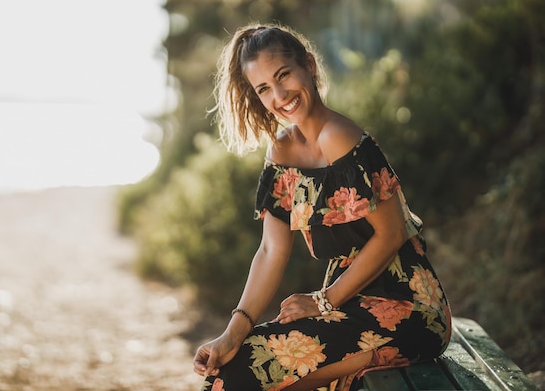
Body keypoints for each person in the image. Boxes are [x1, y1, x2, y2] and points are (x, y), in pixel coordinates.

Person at [193, 23, 452, 391]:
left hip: (407, 309)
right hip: (348, 309)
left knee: (236, 381)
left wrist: (324, 300)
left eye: (284, 75)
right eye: (264, 88)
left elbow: (392, 232)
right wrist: (232, 334)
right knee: (227, 370)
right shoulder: (281, 151)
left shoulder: (339, 136)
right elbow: (270, 250)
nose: (279, 95)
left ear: (309, 66)